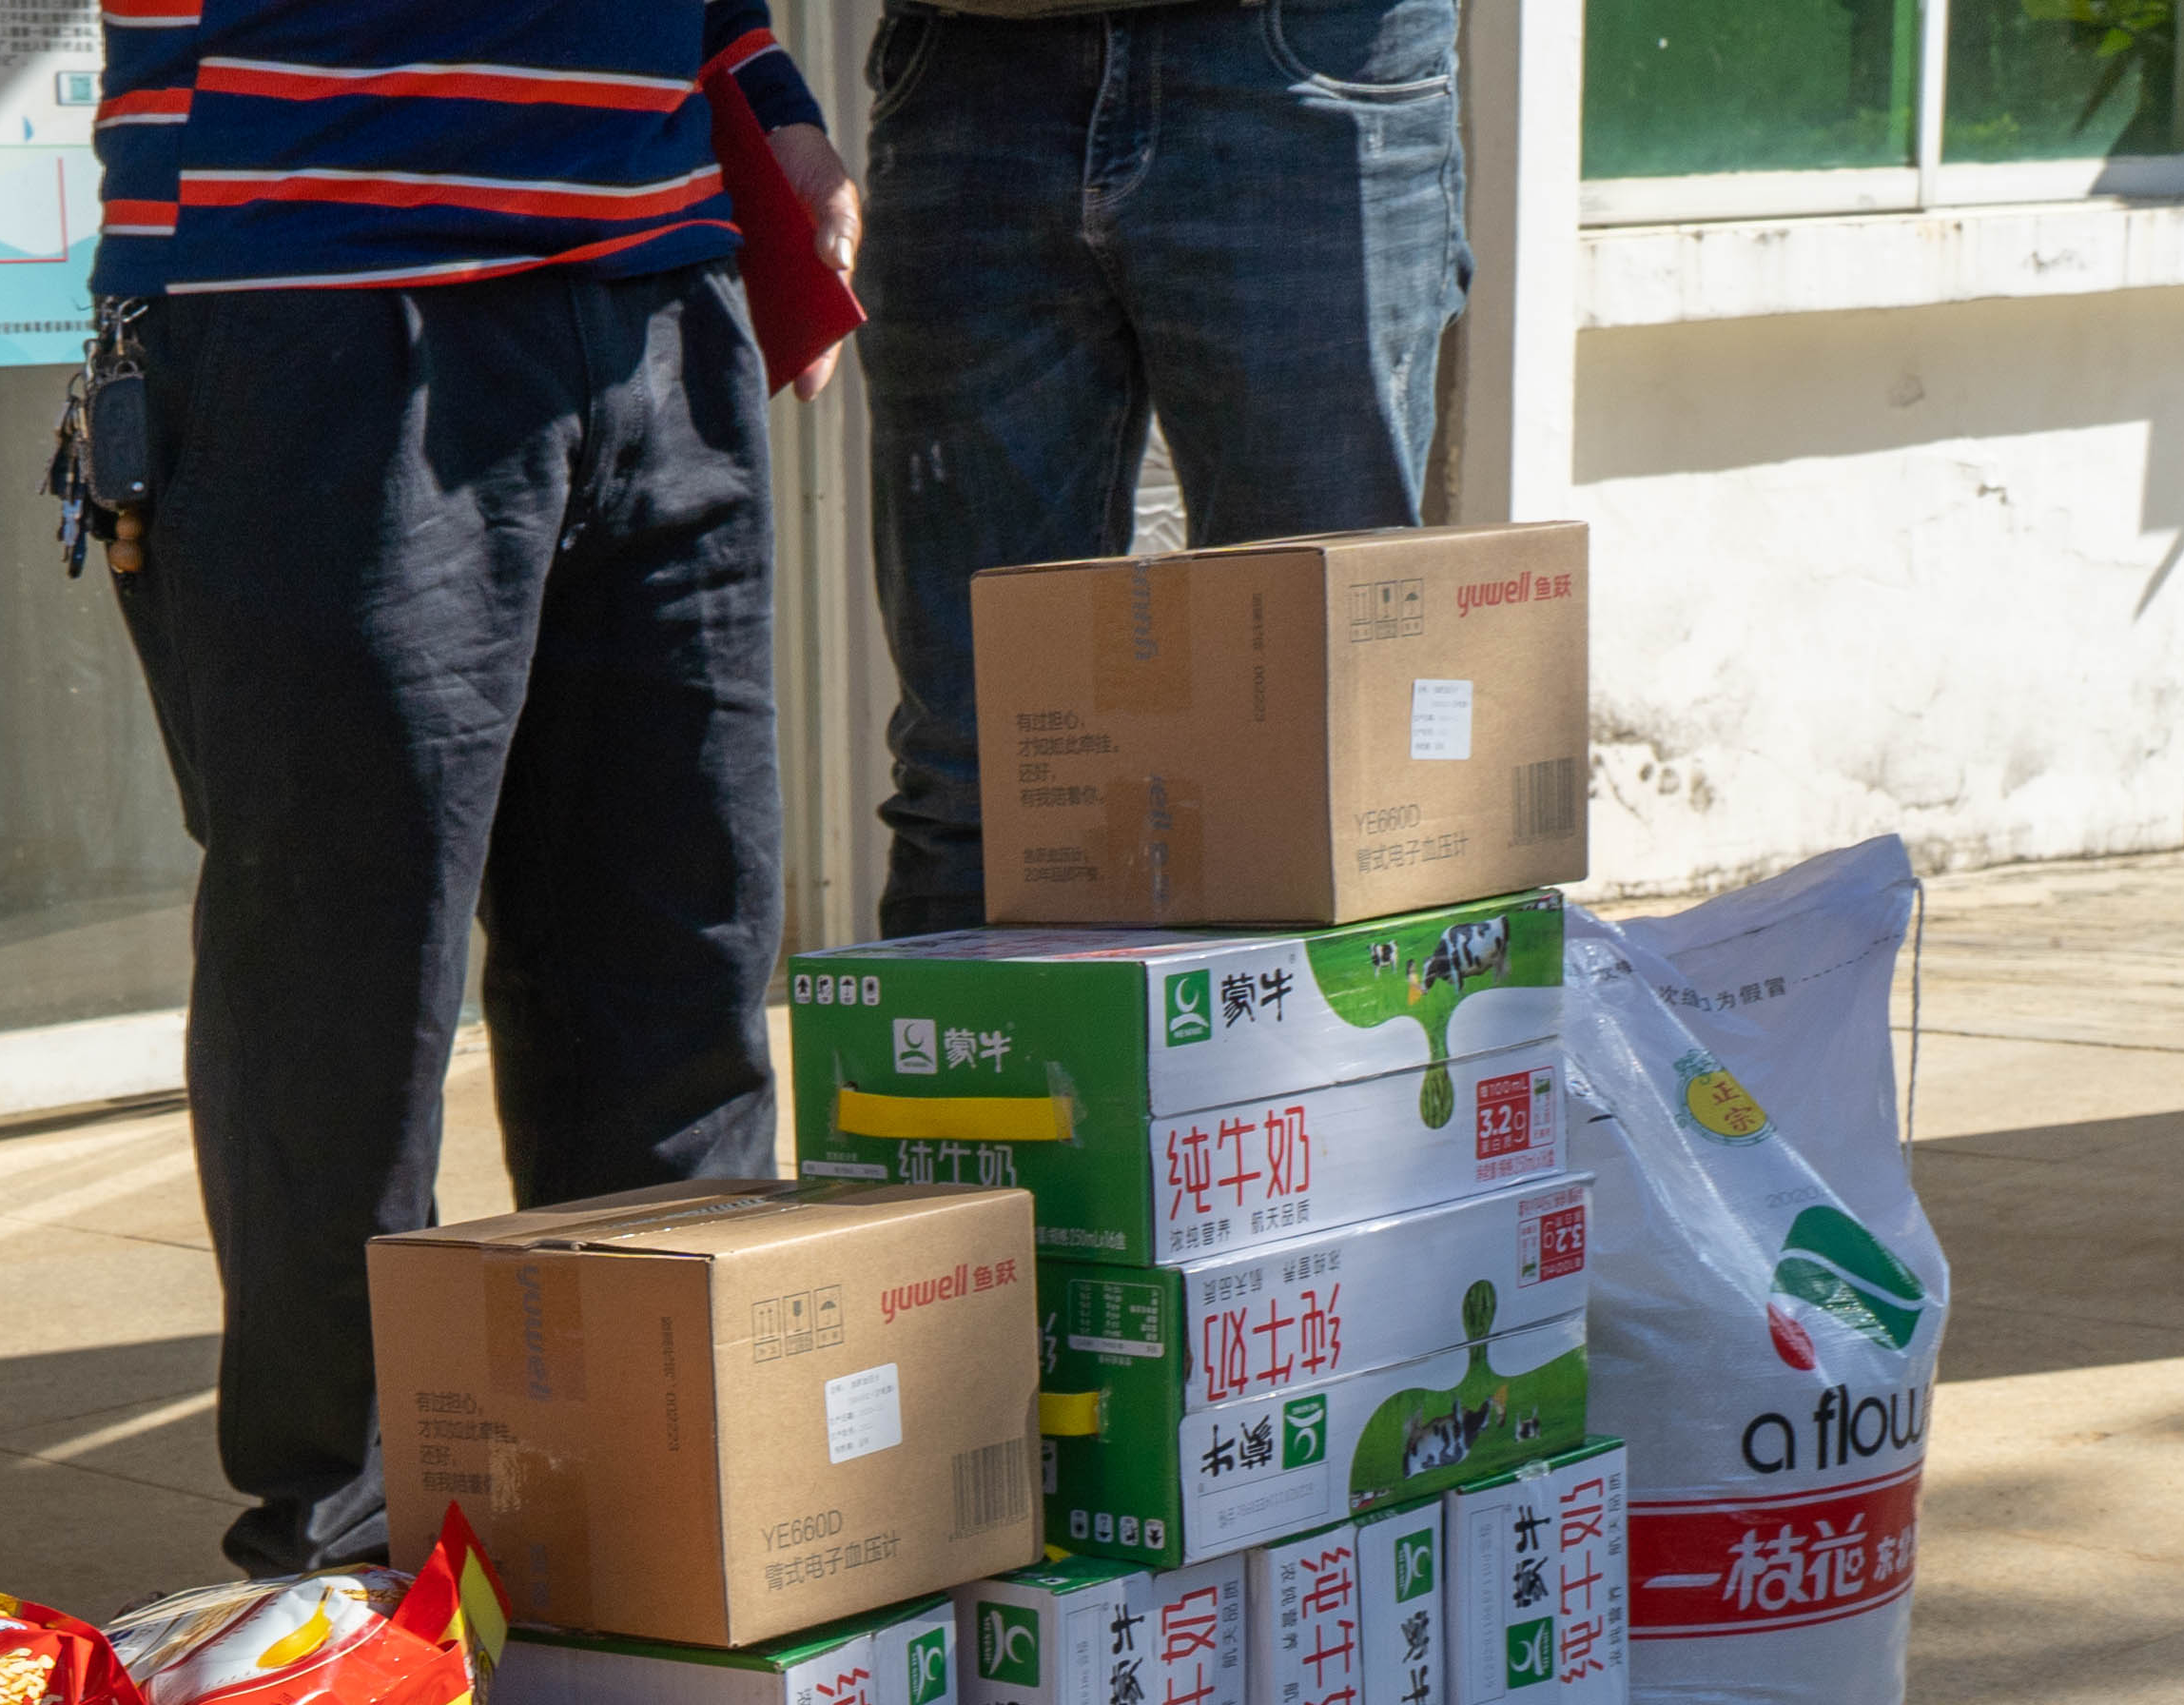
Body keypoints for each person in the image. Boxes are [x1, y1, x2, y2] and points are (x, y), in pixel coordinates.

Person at [96, 0, 857, 1580]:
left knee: (675, 971)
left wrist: (759, 78)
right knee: (342, 996)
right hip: (314, 281)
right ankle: (342, 1570)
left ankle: (660, 1528)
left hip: (660, 277)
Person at [854, 0, 1466, 935]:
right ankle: (978, 1084)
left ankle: (1315, 1085)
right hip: (969, 58)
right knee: (981, 781)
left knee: (1332, 767)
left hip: (1309, 51)